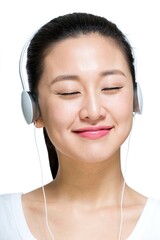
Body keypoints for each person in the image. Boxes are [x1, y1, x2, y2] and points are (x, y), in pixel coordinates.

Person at [0, 12, 160, 240]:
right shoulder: (4, 219)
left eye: (111, 87)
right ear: (35, 109)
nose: (93, 112)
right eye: (69, 92)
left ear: (135, 99)